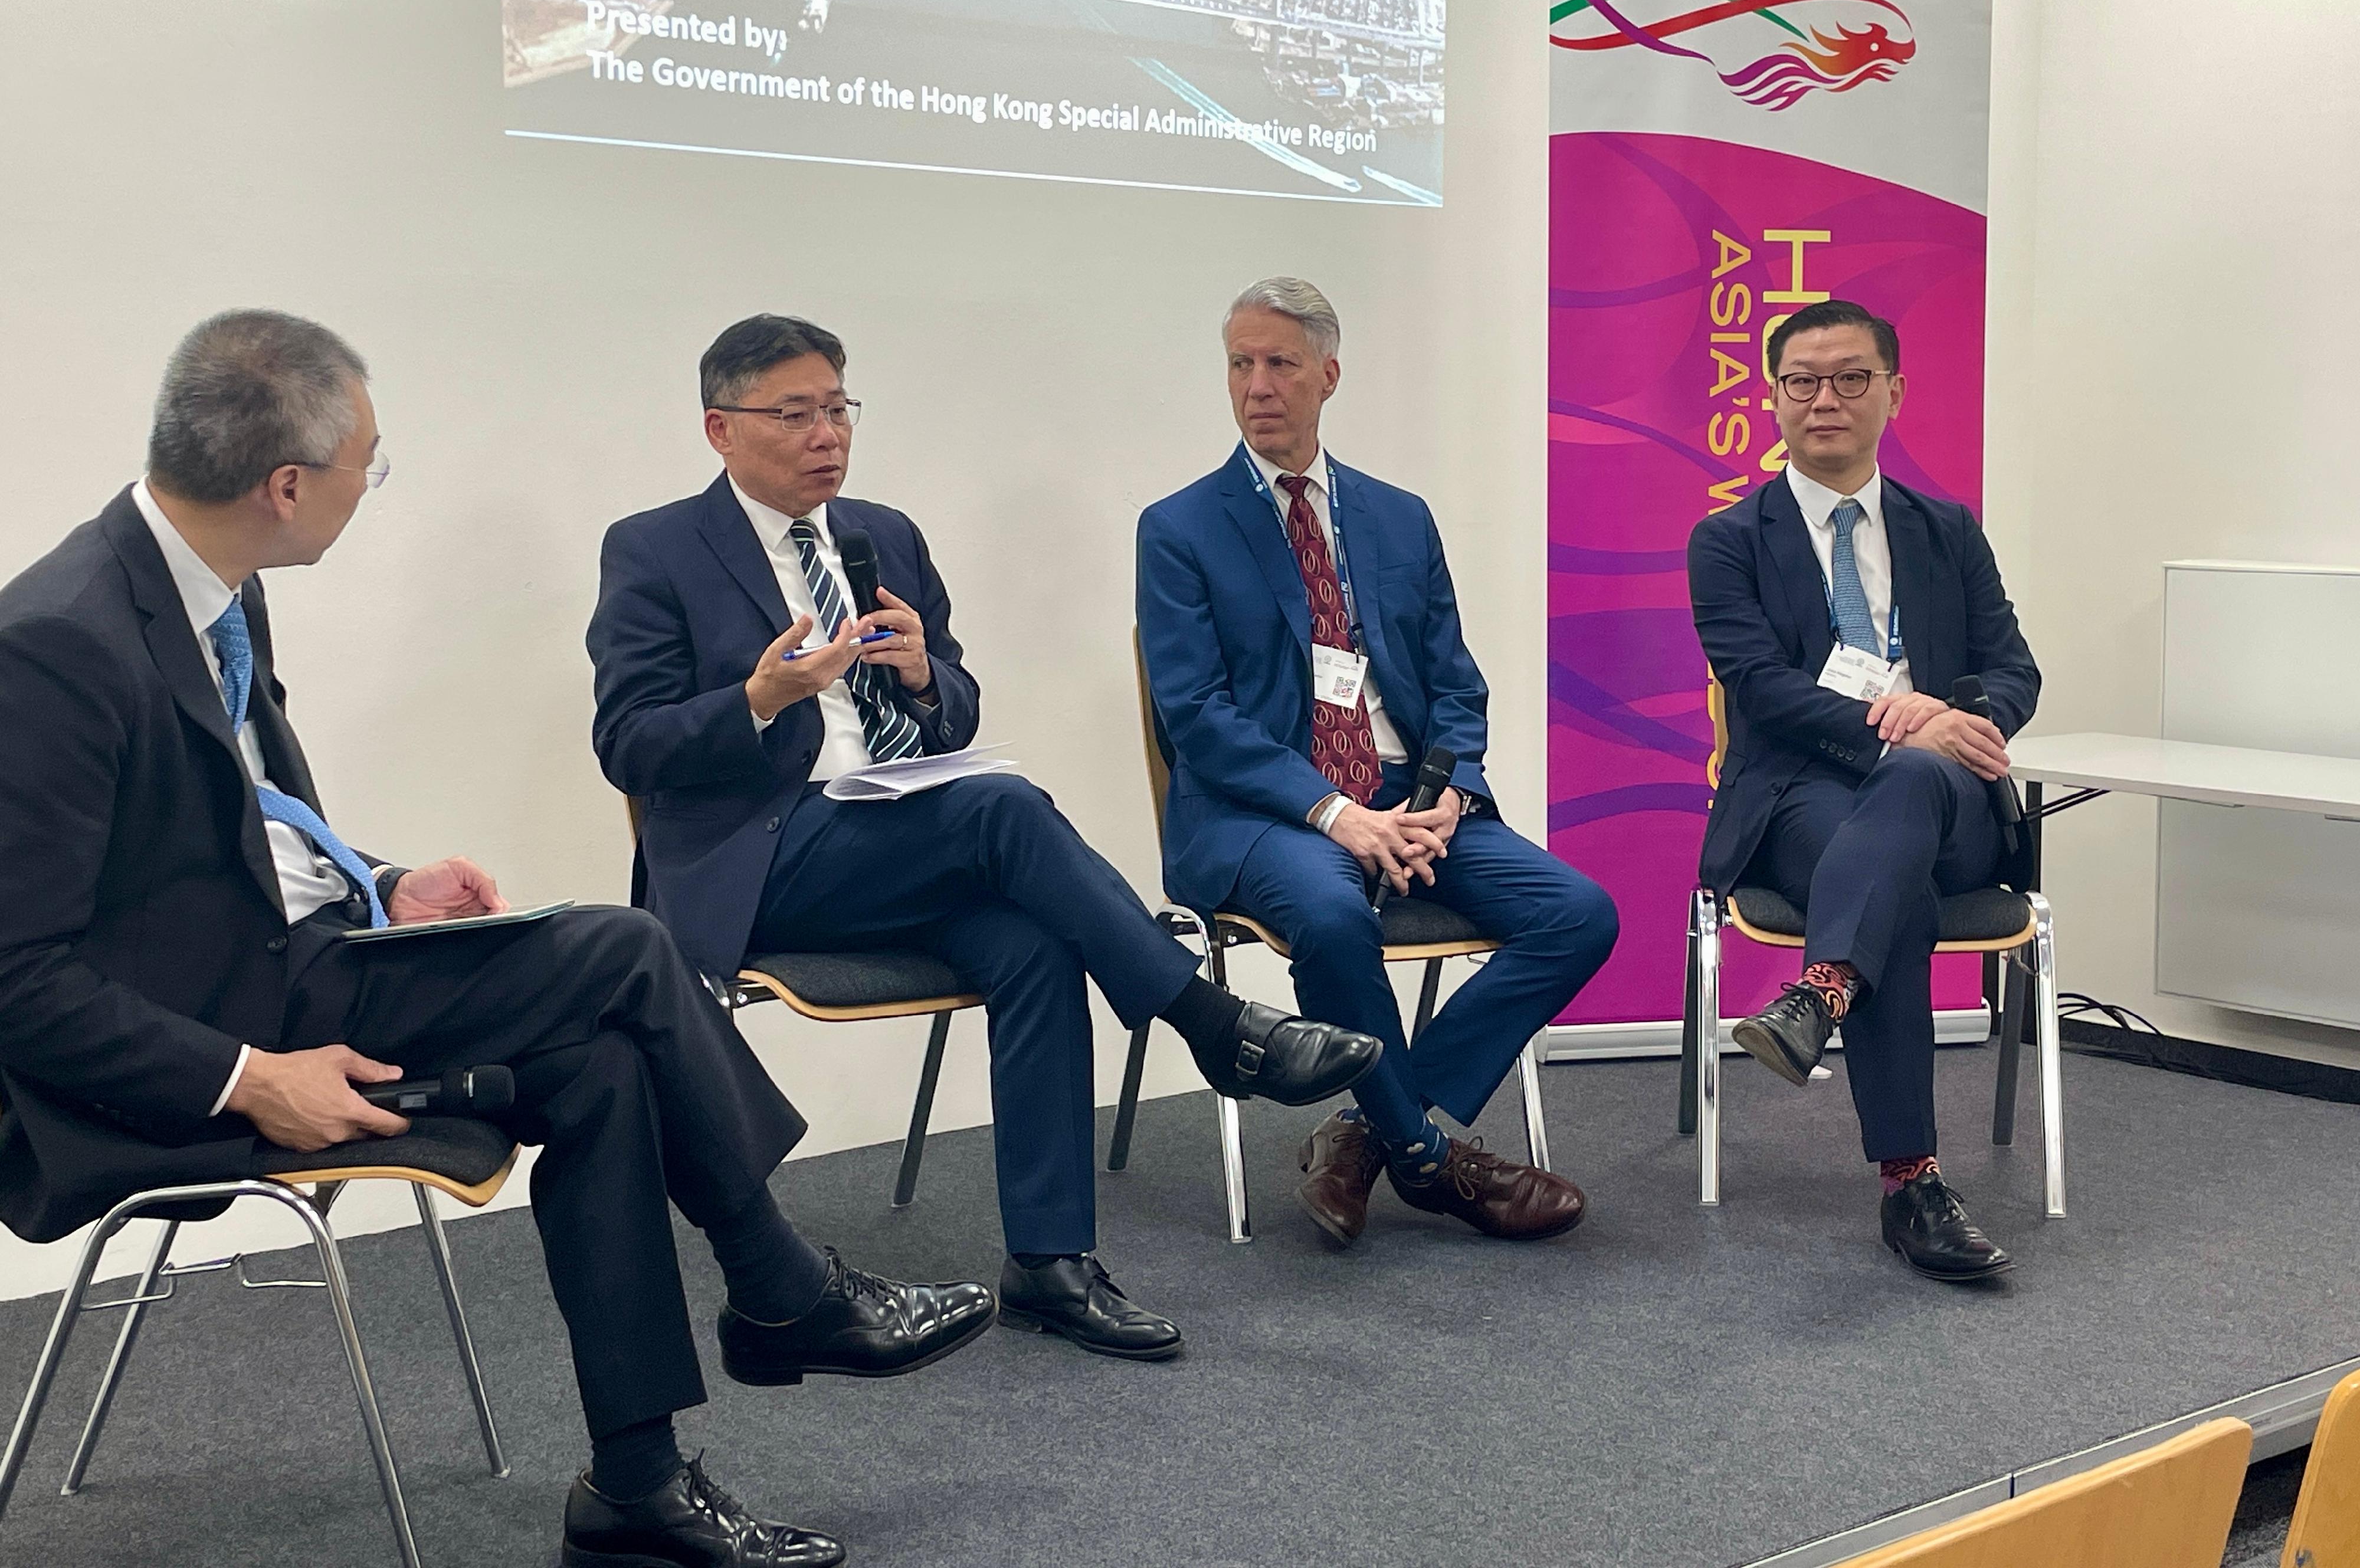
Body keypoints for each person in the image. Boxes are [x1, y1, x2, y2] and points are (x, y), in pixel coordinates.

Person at [0, 310, 1004, 1568]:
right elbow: (18, 982)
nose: (374, 484)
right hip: (206, 1040)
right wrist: (255, 1081)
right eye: (371, 461)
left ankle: (635, 1488)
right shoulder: (58, 641)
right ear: (287, 486)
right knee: (625, 951)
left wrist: (380, 881)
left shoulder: (204, 587)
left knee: (606, 1066)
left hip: (287, 969)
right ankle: (780, 1285)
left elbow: (221, 838)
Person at [587, 313, 1381, 1360]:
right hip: (763, 858)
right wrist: (759, 698)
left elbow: (954, 708)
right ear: (721, 431)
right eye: (796, 414)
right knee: (1003, 808)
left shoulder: (884, 535)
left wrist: (921, 677)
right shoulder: (655, 548)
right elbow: (629, 746)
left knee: (1031, 939)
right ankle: (1206, 1018)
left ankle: (1050, 1266)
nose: (829, 435)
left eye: (839, 408)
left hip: (898, 837)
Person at [1136, 278, 1619, 1248]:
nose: (1257, 385)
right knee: (1329, 911)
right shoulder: (1179, 528)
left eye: (1279, 363)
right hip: (1264, 812)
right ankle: (1434, 1161)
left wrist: (1448, 797)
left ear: (1329, 374)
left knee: (1579, 914)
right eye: (1240, 364)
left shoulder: (1400, 518)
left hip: (1411, 800)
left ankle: (1364, 1130)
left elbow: (1456, 687)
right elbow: (1197, 717)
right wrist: (1334, 814)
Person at [1687, 298, 2041, 1282]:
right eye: (1801, 381)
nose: (1825, 400)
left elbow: (2015, 670)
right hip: (1802, 797)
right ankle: (1912, 1181)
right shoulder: (1728, 541)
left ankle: (1821, 990)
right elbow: (1760, 687)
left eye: (1850, 378)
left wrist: (1954, 725)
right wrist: (1901, 719)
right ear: (1773, 398)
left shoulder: (1946, 529)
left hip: (1949, 798)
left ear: (1894, 391)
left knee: (1922, 781)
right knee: (1900, 894)